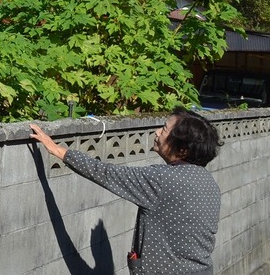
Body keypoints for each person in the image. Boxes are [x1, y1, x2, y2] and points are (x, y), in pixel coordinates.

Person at [30, 107, 222, 274]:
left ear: (182, 150)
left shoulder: (161, 179)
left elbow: (105, 173)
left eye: (164, 130)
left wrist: (57, 150)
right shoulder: (209, 182)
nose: (156, 132)